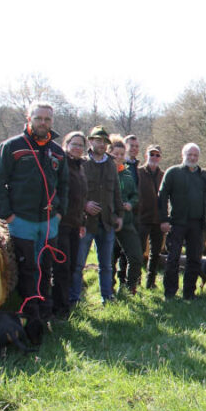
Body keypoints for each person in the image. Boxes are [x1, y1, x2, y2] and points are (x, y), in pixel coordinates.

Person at [0, 101, 69, 320]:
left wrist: (60, 213)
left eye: (47, 119)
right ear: (29, 119)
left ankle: (45, 313)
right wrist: (8, 214)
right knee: (27, 268)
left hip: (49, 221)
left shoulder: (57, 152)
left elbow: (64, 185)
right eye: (38, 118)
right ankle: (29, 315)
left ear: (52, 121)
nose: (43, 123)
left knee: (46, 267)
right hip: (22, 219)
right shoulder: (12, 146)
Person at [70, 126, 122, 305]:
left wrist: (119, 216)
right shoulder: (81, 163)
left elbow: (116, 192)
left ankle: (107, 298)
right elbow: (74, 191)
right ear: (90, 141)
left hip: (106, 222)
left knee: (106, 265)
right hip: (85, 222)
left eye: (104, 142)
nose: (101, 144)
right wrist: (85, 205)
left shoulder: (111, 165)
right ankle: (74, 298)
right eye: (98, 140)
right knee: (78, 265)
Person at [159, 143, 206, 300]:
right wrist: (163, 219)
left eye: (195, 155)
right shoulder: (173, 172)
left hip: (197, 224)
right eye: (189, 155)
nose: (192, 158)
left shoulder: (204, 176)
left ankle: (189, 293)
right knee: (173, 258)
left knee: (194, 259)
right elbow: (162, 196)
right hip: (176, 223)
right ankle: (170, 292)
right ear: (182, 155)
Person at [52, 131, 87, 319]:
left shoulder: (80, 168)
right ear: (66, 145)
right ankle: (59, 310)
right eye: (73, 144)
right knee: (62, 267)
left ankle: (64, 305)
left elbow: (81, 198)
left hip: (75, 224)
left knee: (72, 266)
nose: (77, 148)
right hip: (61, 223)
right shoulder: (61, 164)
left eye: (80, 145)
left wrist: (82, 222)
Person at [108, 135, 144, 295]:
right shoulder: (104, 172)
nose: (119, 157)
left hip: (127, 221)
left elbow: (135, 195)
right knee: (108, 259)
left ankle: (130, 288)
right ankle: (108, 288)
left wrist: (130, 203)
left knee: (136, 256)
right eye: (116, 154)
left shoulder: (128, 173)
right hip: (107, 221)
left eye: (122, 154)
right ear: (109, 153)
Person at [137, 145, 165, 289]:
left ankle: (151, 282)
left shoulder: (164, 175)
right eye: (152, 154)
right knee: (138, 251)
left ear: (160, 157)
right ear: (146, 155)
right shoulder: (138, 172)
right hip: (142, 219)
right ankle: (136, 281)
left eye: (157, 155)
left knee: (156, 253)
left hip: (158, 221)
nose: (154, 157)